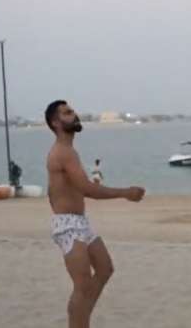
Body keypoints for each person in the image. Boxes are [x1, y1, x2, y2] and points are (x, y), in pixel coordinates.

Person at [44, 100, 145, 328]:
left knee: (105, 269)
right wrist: (125, 193)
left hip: (80, 222)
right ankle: (79, 319)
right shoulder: (62, 152)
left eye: (72, 110)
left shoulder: (68, 151)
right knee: (82, 286)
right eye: (67, 113)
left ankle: (80, 316)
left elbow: (53, 189)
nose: (74, 114)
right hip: (68, 225)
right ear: (55, 122)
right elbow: (87, 188)